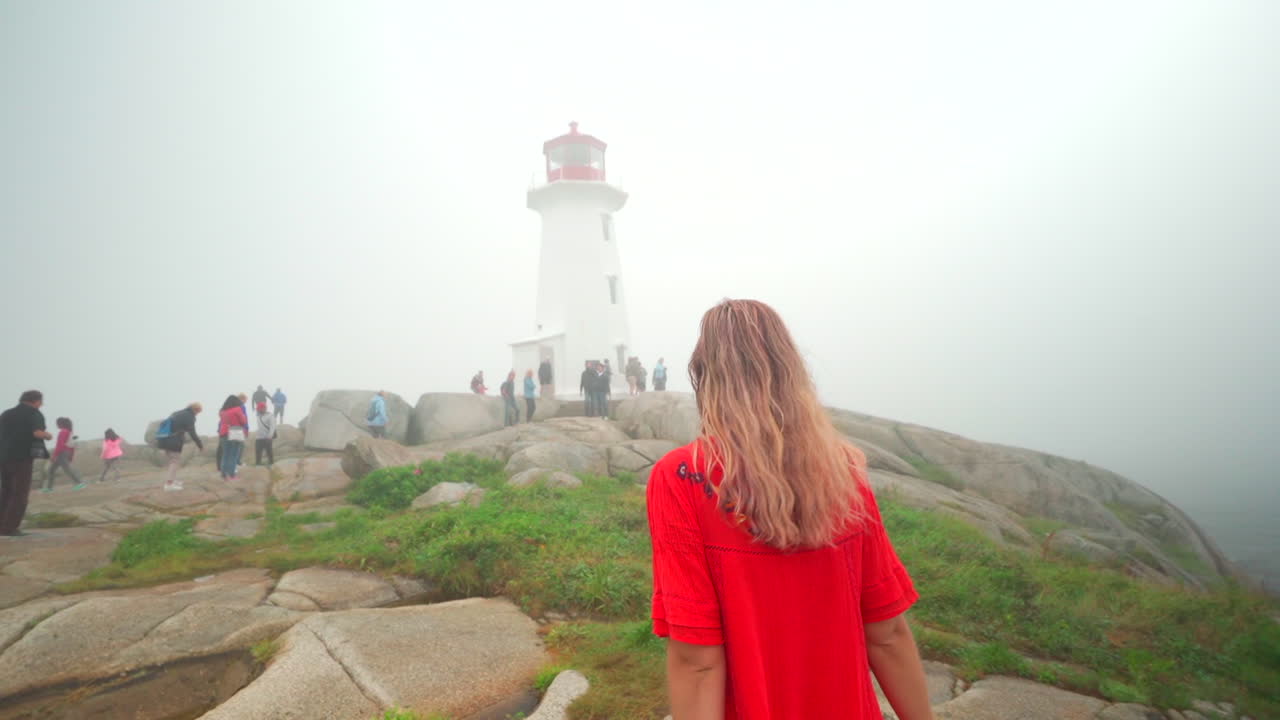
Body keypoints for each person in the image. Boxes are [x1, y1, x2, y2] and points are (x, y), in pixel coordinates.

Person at [647, 299, 931, 720]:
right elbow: (887, 634)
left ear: (703, 377)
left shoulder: (682, 479)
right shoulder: (844, 470)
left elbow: (698, 661)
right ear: (791, 372)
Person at [0, 390, 52, 536]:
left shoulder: (6, 413)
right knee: (20, 493)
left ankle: (1, 525)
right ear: (35, 401)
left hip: (4, 456)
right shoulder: (34, 413)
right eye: (41, 401)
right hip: (22, 457)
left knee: (6, 491)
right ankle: (9, 528)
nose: (41, 404)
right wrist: (48, 435)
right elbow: (37, 433)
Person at [156, 402, 203, 491]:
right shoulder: (189, 416)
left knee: (173, 461)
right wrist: (200, 445)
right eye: (198, 412)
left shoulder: (178, 413)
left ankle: (172, 480)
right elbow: (192, 432)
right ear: (195, 410)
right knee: (174, 461)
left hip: (164, 439)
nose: (197, 414)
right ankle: (169, 484)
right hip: (173, 441)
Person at [43, 417, 84, 492]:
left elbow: (60, 445)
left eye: (57, 423)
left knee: (66, 469)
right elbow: (72, 446)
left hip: (62, 453)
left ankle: (79, 483)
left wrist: (54, 455)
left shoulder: (62, 432)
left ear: (60, 424)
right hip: (66, 453)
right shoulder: (69, 432)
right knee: (52, 470)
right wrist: (71, 456)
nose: (56, 425)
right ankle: (49, 488)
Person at [217, 395, 247, 481]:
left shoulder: (222, 411)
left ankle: (224, 475)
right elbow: (243, 421)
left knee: (225, 455)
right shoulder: (237, 409)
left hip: (223, 433)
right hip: (235, 431)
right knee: (234, 455)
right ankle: (232, 475)